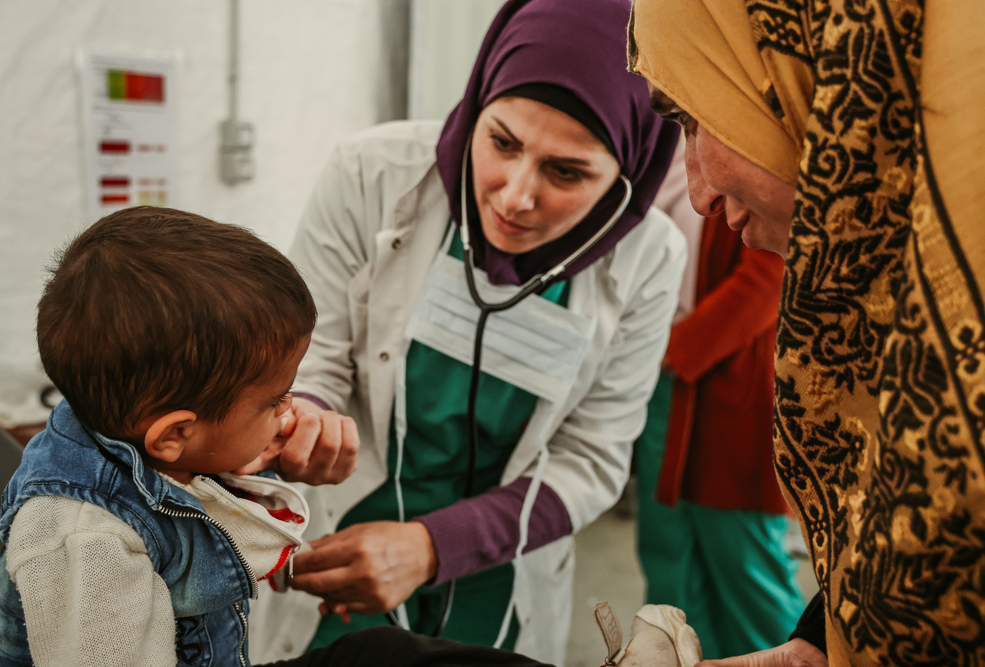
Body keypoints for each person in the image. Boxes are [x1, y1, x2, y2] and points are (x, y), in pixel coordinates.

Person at [248, 0, 684, 663]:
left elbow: (590, 457)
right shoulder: (370, 175)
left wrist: (430, 547)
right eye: (502, 142)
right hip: (342, 547)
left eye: (566, 172)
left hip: (499, 562)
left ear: (628, 173)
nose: (513, 196)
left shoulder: (651, 259)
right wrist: (304, 416)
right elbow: (310, 355)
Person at [0, 206, 555, 667]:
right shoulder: (86, 544)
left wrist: (274, 555)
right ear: (176, 433)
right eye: (275, 401)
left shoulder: (135, 431)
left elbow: (186, 514)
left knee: (386, 654)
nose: (290, 412)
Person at [627, 0, 985, 665]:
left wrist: (668, 353)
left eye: (695, 118)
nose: (698, 190)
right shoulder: (889, 307)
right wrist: (823, 642)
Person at [635, 142, 803, 659]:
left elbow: (770, 272)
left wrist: (674, 349)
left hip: (727, 381)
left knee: (744, 560)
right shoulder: (651, 148)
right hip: (661, 378)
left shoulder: (745, 137)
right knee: (669, 554)